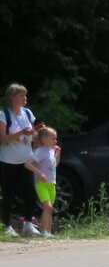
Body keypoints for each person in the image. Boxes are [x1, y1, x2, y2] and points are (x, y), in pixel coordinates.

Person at [1, 83, 41, 236]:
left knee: (30, 192)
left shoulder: (28, 113)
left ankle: (28, 224)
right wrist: (21, 133)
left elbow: (34, 137)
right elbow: (2, 139)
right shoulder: (4, 114)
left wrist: (34, 134)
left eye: (25, 95)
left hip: (25, 160)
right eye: (21, 95)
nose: (25, 98)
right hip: (9, 160)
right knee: (9, 194)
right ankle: (7, 227)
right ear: (12, 98)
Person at [25, 126, 60, 237]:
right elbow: (27, 164)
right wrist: (40, 174)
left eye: (56, 139)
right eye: (53, 139)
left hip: (51, 183)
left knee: (50, 209)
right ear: (44, 139)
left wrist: (57, 155)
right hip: (41, 183)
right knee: (48, 207)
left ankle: (48, 232)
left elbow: (54, 167)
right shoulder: (40, 151)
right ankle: (44, 231)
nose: (55, 141)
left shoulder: (51, 151)